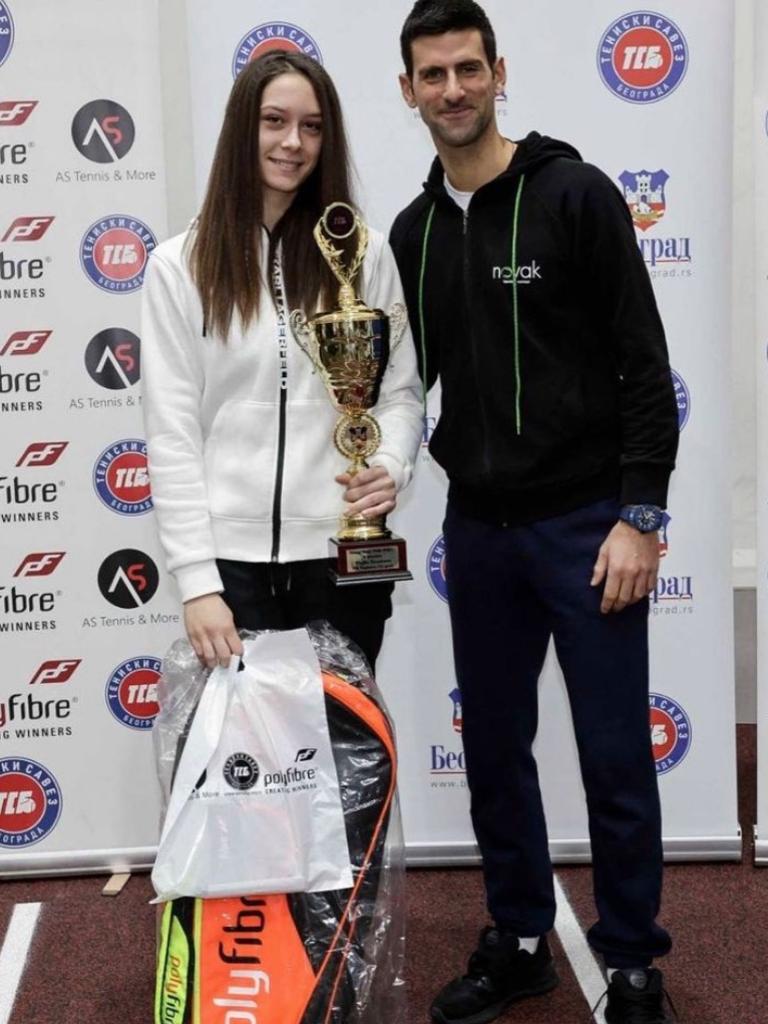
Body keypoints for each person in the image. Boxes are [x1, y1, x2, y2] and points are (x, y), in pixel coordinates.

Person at [389, 3, 679, 1023]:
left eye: (469, 68)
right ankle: (519, 939)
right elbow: (392, 391)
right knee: (495, 749)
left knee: (611, 751)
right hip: (477, 534)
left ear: (497, 72)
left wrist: (640, 514)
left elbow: (646, 366)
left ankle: (635, 961)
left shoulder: (575, 195)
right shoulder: (412, 235)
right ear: (408, 90)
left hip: (587, 525)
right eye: (434, 74)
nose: (454, 89)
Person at [141, 51, 422, 672]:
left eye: (313, 126)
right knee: (246, 767)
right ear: (245, 126)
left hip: (342, 560)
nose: (294, 142)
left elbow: (400, 393)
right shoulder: (178, 266)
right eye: (275, 121)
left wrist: (389, 463)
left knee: (350, 760)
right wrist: (197, 581)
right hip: (231, 574)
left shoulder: (366, 255)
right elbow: (173, 433)